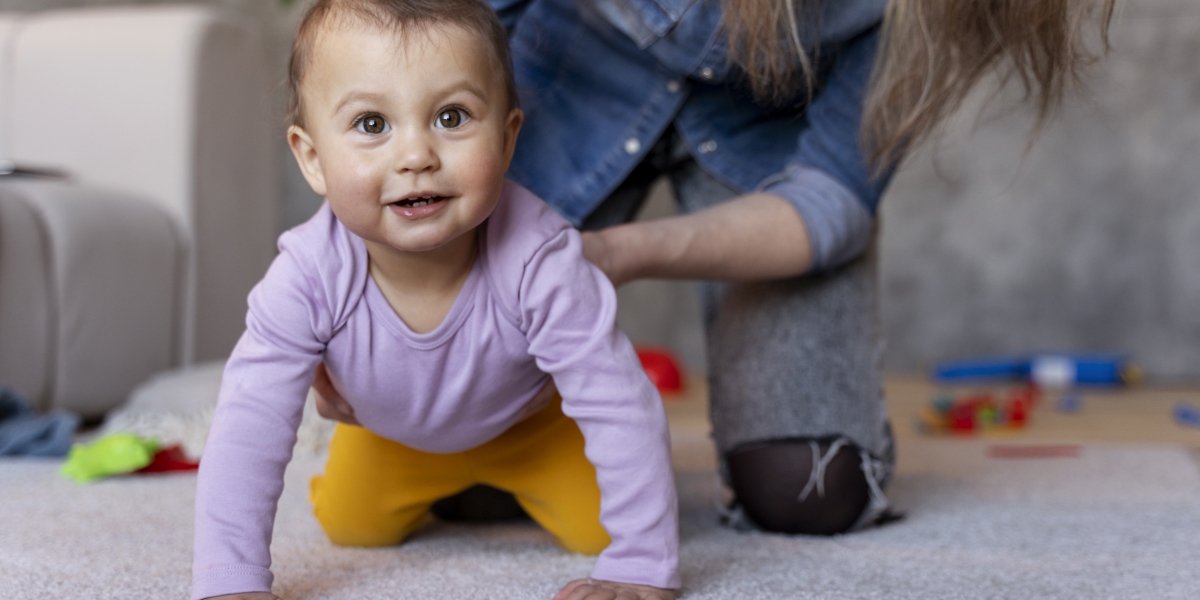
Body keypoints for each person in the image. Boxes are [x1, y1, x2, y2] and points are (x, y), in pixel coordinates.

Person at [314, 0, 1117, 537]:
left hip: (764, 136)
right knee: (466, 468)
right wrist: (356, 262)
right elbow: (420, 33)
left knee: (810, 489)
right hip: (554, 82)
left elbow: (832, 197)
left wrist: (614, 255)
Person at [191, 1, 679, 599]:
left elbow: (618, 401)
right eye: (372, 124)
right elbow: (251, 420)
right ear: (313, 158)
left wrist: (640, 561)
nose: (417, 155)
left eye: (452, 116)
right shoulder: (308, 274)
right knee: (349, 526)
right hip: (392, 439)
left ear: (505, 138)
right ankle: (460, 489)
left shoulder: (540, 259)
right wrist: (229, 578)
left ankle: (496, 487)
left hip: (531, 430)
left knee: (597, 528)